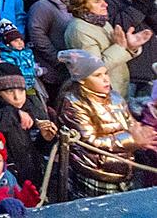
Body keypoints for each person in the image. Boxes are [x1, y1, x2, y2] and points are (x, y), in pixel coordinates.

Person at [57, 48, 157, 199]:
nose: (106, 79)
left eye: (106, 73)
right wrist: (132, 140)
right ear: (82, 80)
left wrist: (142, 134)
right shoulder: (73, 103)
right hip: (97, 171)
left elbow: (129, 123)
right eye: (98, 75)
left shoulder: (115, 97)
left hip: (123, 166)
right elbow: (89, 141)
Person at [0, 63, 56, 186]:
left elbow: (41, 149)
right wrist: (14, 113)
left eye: (21, 90)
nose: (17, 97)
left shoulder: (33, 105)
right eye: (9, 91)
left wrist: (46, 138)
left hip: (34, 172)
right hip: (5, 178)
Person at [64, 0, 147, 97]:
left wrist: (131, 46)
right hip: (104, 93)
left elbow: (118, 53)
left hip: (117, 88)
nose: (105, 4)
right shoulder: (79, 30)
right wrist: (122, 47)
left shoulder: (101, 22)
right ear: (82, 7)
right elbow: (94, 68)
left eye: (103, 0)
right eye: (97, 2)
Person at [27, 0, 73, 100]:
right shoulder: (42, 6)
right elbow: (36, 34)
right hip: (51, 67)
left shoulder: (65, 7)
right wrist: (56, 57)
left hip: (65, 66)